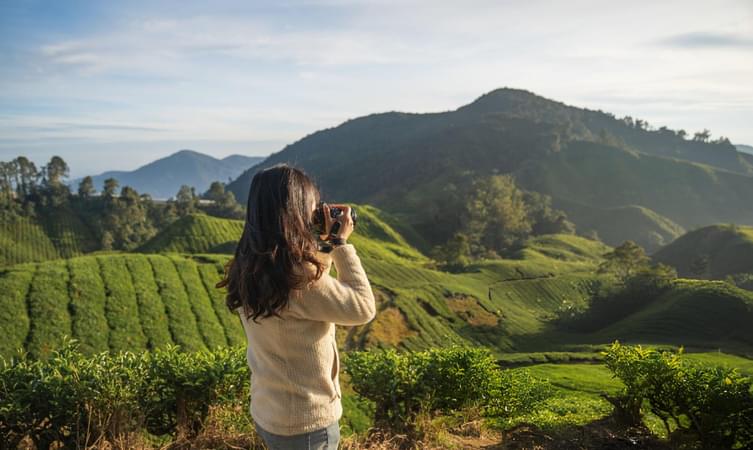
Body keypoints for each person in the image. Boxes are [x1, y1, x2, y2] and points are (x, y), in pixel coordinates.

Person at [217, 163, 376, 450]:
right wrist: (340, 243)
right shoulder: (298, 278)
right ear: (297, 212)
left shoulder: (251, 267)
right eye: (314, 208)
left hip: (270, 413)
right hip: (308, 424)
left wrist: (322, 248)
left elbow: (312, 290)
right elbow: (362, 308)